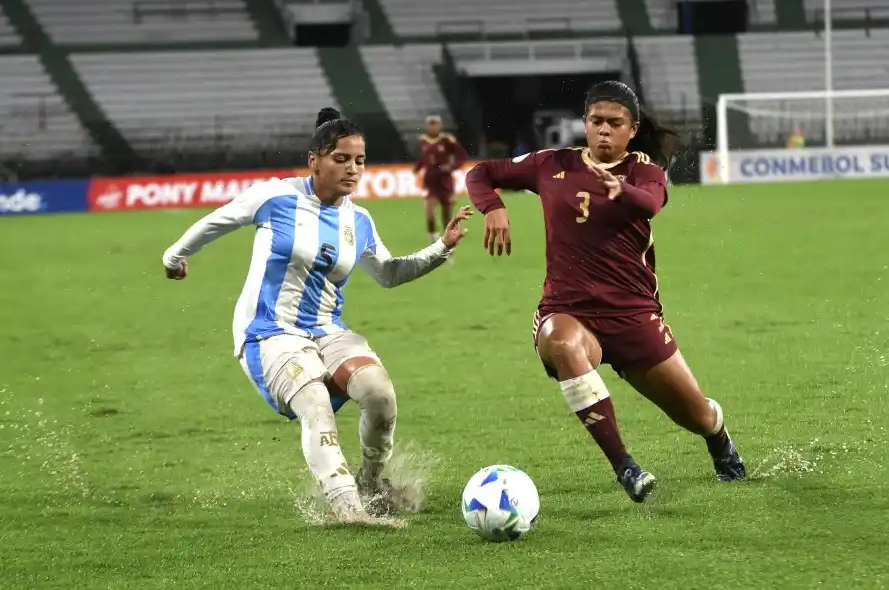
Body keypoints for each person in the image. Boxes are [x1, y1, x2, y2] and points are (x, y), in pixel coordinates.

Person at [161, 107, 473, 523]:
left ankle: (371, 483)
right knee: (314, 400)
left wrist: (442, 247)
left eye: (359, 161)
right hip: (269, 331)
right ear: (315, 160)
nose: (352, 169)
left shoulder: (357, 219)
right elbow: (218, 221)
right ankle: (348, 509)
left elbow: (389, 273)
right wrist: (174, 257)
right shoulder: (275, 196)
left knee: (379, 393)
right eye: (340, 159)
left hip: (326, 330)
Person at [464, 81, 745, 503]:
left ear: (632, 130)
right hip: (569, 310)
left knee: (697, 415)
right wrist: (493, 207)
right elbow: (480, 172)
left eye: (615, 123)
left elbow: (651, 203)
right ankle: (626, 467)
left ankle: (719, 440)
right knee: (560, 342)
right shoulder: (551, 164)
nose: (604, 131)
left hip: (633, 316)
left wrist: (621, 190)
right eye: (596, 121)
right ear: (585, 124)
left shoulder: (645, 171)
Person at [414, 114, 469, 244]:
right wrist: (418, 167)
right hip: (431, 182)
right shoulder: (424, 141)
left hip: (445, 182)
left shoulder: (447, 140)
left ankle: (448, 239)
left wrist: (452, 167)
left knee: (446, 215)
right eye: (430, 124)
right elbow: (425, 157)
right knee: (430, 211)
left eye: (435, 124)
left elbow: (462, 156)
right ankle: (433, 236)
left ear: (440, 125)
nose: (433, 127)